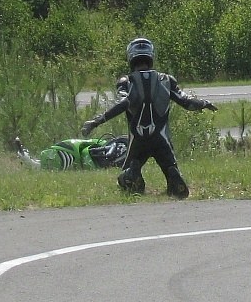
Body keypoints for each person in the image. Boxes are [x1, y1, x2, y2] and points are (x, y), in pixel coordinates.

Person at [81, 37, 217, 198]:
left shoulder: (127, 81)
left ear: (130, 57)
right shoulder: (166, 80)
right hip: (161, 138)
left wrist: (96, 121)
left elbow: (122, 103)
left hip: (138, 140)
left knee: (127, 173)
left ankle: (132, 173)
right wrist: (204, 103)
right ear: (151, 55)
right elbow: (186, 102)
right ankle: (172, 173)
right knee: (169, 165)